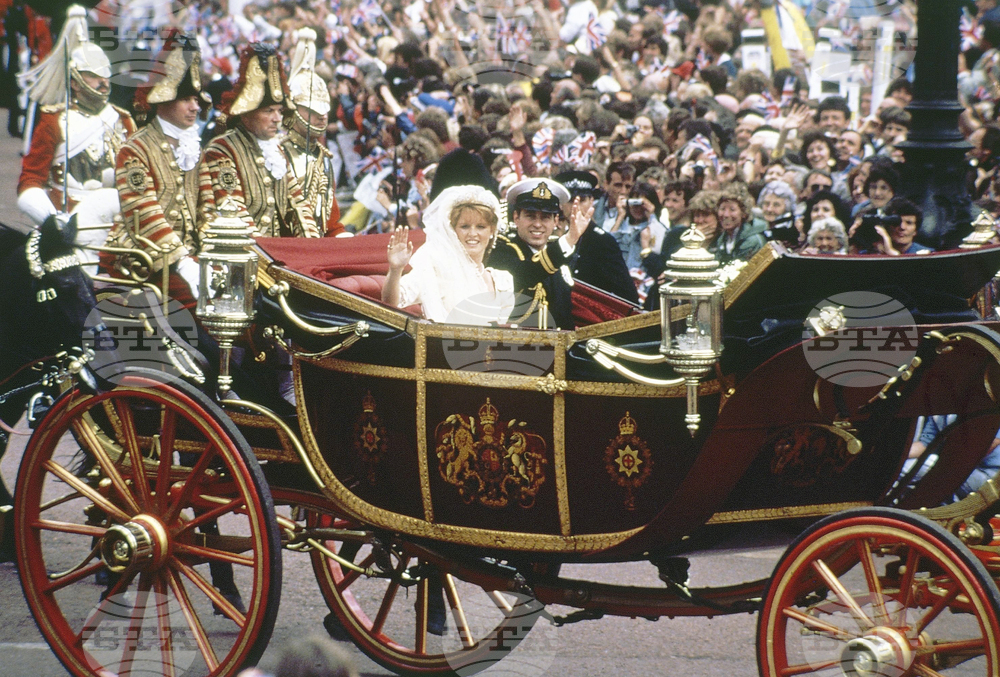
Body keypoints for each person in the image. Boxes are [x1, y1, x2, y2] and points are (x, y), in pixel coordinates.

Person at [16, 5, 136, 268]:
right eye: (93, 75)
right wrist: (52, 221)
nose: (102, 82)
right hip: (66, 220)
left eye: (105, 74)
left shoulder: (123, 119)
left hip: (116, 225)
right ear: (74, 80)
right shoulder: (54, 121)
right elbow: (30, 181)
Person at [107, 32, 209, 306]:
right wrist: (183, 262)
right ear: (165, 100)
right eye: (186, 99)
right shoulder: (136, 149)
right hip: (145, 259)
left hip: (192, 257)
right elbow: (144, 213)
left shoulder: (195, 146)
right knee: (198, 305)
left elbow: (207, 207)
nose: (195, 107)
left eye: (197, 100)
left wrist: (212, 255)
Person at [198, 43, 320, 237]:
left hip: (277, 253)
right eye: (268, 111)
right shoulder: (222, 150)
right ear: (247, 114)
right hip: (245, 254)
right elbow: (233, 212)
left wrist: (311, 244)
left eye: (279, 111)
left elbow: (298, 204)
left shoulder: (276, 151)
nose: (277, 118)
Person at [382, 185, 514, 324]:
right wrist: (396, 269)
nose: (473, 234)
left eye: (481, 227)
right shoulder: (435, 269)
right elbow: (391, 302)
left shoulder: (503, 281)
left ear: (492, 231)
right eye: (465, 226)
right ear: (453, 230)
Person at [488, 177, 590, 329]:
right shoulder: (502, 250)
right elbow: (527, 273)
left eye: (545, 217)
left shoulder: (559, 254)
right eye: (530, 216)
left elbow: (564, 316)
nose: (537, 224)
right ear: (516, 217)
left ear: (556, 221)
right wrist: (568, 240)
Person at [281, 29, 347, 237]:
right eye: (311, 111)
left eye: (323, 111)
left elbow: (330, 220)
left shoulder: (324, 157)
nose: (321, 117)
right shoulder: (278, 154)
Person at [554, 170, 638, 303]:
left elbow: (627, 296)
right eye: (570, 201)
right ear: (561, 204)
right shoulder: (554, 237)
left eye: (582, 200)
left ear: (592, 201)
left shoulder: (603, 242)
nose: (576, 207)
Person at [716, 182, 767, 263]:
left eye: (732, 209)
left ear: (743, 213)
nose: (726, 215)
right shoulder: (722, 239)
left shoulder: (753, 240)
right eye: (722, 209)